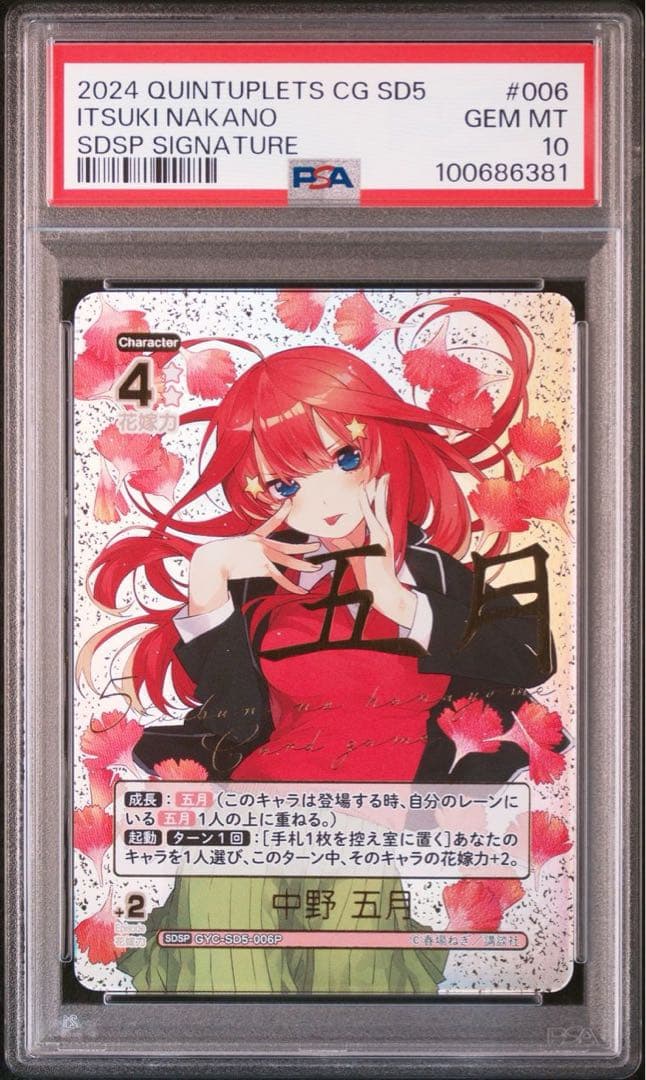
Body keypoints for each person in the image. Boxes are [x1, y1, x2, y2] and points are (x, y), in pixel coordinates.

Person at [84, 297, 553, 993]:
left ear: (384, 444)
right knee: (223, 951)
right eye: (285, 481)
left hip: (375, 811)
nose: (322, 496)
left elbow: (527, 657)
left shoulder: (435, 573)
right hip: (266, 802)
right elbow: (232, 711)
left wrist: (398, 600)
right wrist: (209, 585)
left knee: (351, 975)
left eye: (346, 456)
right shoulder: (266, 581)